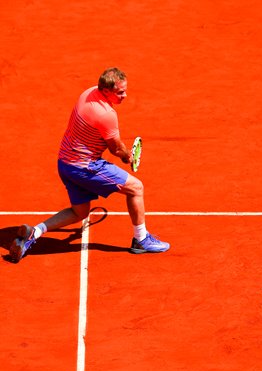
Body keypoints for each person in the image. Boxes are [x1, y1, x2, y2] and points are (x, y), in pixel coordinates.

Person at [9, 67, 169, 262]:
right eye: (120, 92)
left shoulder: (88, 92)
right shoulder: (106, 114)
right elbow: (116, 149)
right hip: (84, 167)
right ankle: (141, 240)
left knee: (79, 212)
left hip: (65, 163)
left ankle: (34, 233)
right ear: (106, 91)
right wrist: (129, 157)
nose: (125, 95)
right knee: (136, 188)